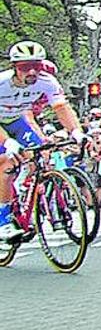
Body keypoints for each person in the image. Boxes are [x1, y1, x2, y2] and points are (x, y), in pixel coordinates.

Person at [0, 41, 87, 240]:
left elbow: (62, 108)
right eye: (24, 67)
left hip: (16, 121)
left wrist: (76, 132)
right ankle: (3, 220)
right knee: (6, 162)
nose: (31, 72)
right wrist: (7, 142)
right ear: (14, 67)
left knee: (41, 153)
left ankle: (22, 195)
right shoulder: (2, 82)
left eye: (36, 66)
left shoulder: (47, 81)